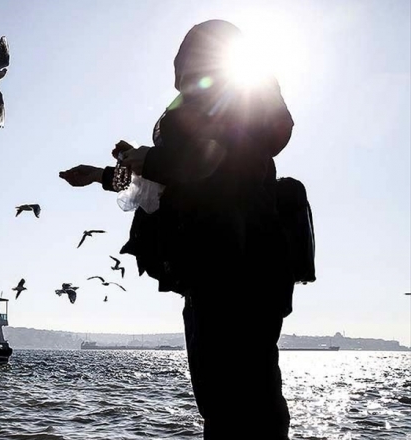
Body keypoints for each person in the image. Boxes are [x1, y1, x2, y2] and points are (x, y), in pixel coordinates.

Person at [60, 20, 295, 439]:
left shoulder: (242, 105)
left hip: (235, 275)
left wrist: (149, 159)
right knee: (226, 403)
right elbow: (166, 180)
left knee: (243, 402)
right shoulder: (204, 112)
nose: (182, 79)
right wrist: (100, 174)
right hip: (211, 276)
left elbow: (212, 165)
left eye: (187, 68)